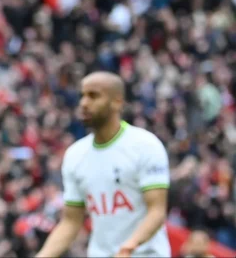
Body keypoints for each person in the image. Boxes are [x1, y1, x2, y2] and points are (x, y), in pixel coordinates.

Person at [36, 71, 171, 258]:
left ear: (117, 102)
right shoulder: (75, 155)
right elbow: (71, 222)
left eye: (94, 96)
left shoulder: (145, 146)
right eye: (82, 95)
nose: (84, 103)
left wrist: (129, 246)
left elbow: (156, 211)